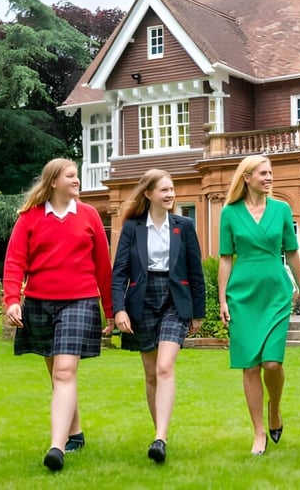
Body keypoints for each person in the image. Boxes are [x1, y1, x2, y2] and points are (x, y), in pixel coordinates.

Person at [3, 158, 114, 472]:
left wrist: (109, 309)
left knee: (65, 371)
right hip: (39, 302)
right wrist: (12, 299)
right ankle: (75, 431)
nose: (77, 181)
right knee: (58, 374)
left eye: (77, 176)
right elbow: (14, 261)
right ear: (53, 182)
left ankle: (57, 446)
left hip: (79, 301)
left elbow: (103, 267)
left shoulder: (90, 215)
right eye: (71, 176)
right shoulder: (30, 218)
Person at [218, 154, 300, 455]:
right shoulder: (229, 213)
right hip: (242, 296)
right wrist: (222, 299)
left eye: (270, 172)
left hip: (275, 292)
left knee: (272, 363)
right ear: (247, 177)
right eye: (263, 173)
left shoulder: (282, 210)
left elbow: (293, 252)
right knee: (250, 367)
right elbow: (224, 258)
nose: (269, 177)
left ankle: (275, 408)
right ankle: (258, 432)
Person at [111, 169, 206, 464]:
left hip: (176, 299)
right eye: (163, 190)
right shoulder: (132, 227)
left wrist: (198, 312)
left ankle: (160, 438)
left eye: (172, 189)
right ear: (148, 194)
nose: (170, 194)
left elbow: (195, 270)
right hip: (141, 299)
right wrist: (119, 308)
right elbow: (119, 273)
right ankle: (159, 433)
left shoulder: (184, 226)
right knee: (151, 373)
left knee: (165, 367)